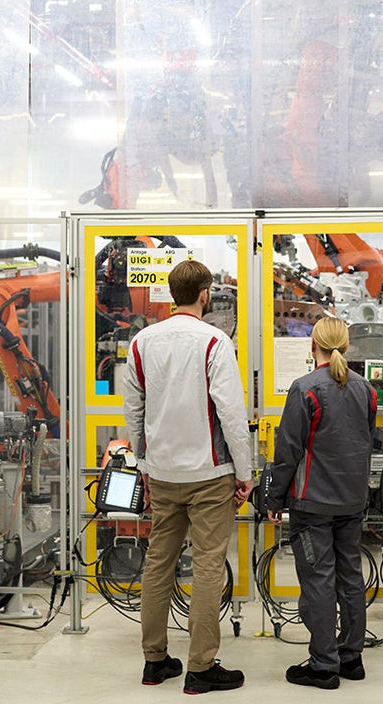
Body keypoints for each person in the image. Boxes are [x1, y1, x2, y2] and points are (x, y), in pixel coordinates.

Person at [123, 259, 253, 695]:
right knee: (207, 565)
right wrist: (245, 472)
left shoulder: (142, 342)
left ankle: (154, 660)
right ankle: (200, 667)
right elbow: (232, 414)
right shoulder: (216, 342)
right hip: (210, 472)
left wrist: (142, 461)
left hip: (161, 472)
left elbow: (134, 411)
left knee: (158, 562)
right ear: (205, 294)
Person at [265, 316, 377, 690]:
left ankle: (323, 666)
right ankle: (352, 657)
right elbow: (366, 441)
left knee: (318, 580)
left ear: (312, 344)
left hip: (312, 503)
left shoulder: (305, 388)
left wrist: (273, 497)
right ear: (345, 345)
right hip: (351, 501)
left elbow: (288, 452)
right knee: (350, 577)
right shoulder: (367, 390)